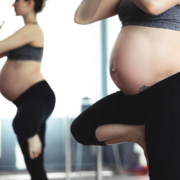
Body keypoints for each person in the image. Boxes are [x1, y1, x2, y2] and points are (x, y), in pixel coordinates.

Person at [71, 0, 180, 179]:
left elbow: (152, 6)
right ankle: (139, 134)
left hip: (168, 89)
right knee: (83, 128)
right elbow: (82, 17)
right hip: (136, 97)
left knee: (165, 173)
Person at [0, 0, 56, 179]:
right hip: (28, 100)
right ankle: (30, 132)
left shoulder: (32, 29)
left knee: (22, 125)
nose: (13, 5)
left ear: (29, 2)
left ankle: (31, 132)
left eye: (16, 0)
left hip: (37, 96)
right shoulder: (24, 31)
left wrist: (30, 133)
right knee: (35, 165)